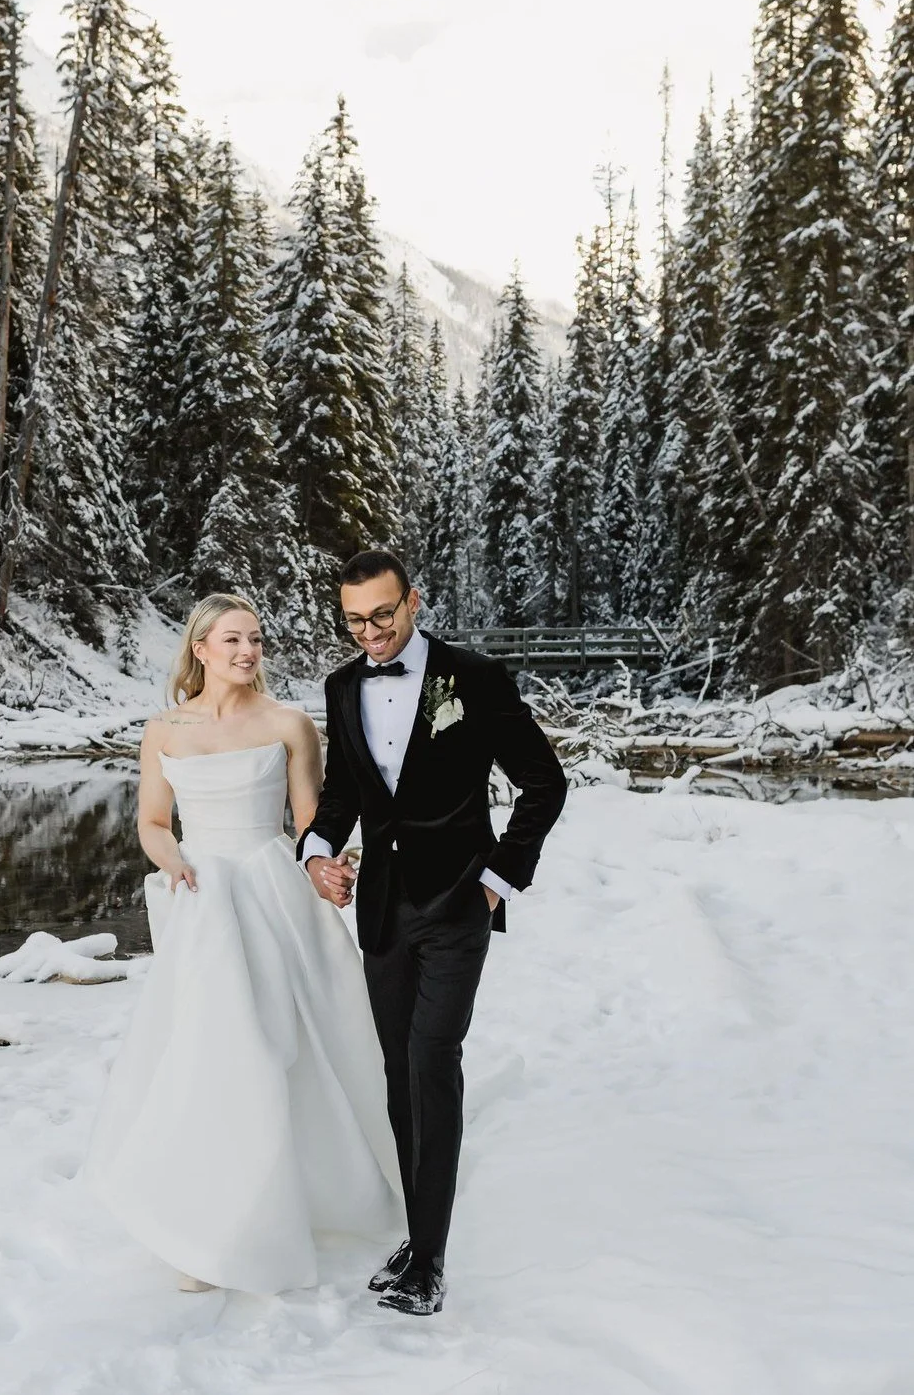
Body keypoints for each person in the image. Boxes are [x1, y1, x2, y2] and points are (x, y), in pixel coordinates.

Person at [84, 592, 404, 1294]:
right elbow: (153, 822)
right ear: (200, 649)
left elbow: (312, 823)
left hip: (270, 889)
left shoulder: (288, 723)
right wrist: (172, 862)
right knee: (216, 1051)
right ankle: (211, 1225)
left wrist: (329, 868)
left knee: (288, 1045)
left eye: (255, 639)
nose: (246, 652)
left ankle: (298, 1201)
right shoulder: (163, 730)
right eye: (231, 640)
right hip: (204, 897)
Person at [299, 549, 567, 1315]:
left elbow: (543, 783)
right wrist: (315, 852)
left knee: (430, 1061)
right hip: (380, 907)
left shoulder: (473, 678)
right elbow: (344, 791)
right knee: (395, 1070)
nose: (371, 633)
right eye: (354, 620)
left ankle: (430, 1263)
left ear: (412, 600)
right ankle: (417, 1234)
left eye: (382, 614)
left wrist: (498, 878)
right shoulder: (341, 686)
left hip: (456, 904)